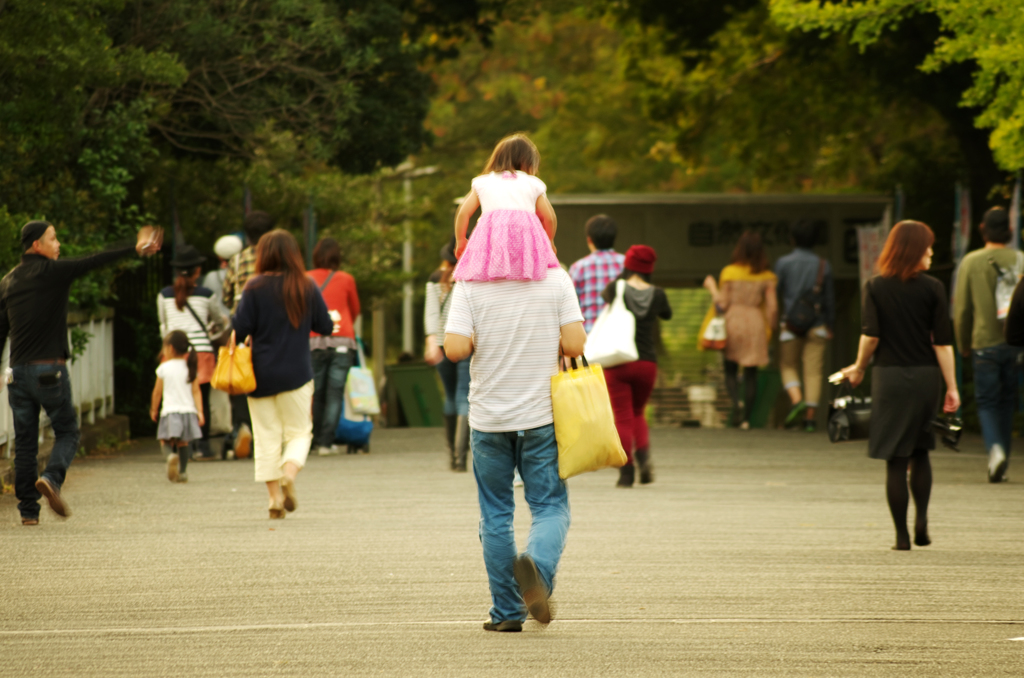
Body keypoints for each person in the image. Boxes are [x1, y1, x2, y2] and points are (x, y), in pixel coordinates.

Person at [444, 255, 586, 632]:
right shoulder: (556, 279)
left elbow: (455, 349)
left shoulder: (469, 284)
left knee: (495, 515)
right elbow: (574, 344)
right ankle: (536, 570)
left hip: (489, 421)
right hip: (540, 418)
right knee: (550, 505)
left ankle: (507, 612)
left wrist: (484, 333)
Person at [0, 220, 162, 524]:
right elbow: (95, 260)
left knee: (24, 442)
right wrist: (134, 247)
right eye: (53, 238)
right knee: (68, 431)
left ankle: (28, 512)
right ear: (37, 245)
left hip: (17, 373)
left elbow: (0, 331)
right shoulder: (53, 272)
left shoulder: (8, 281)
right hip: (50, 370)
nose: (58, 244)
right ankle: (52, 477)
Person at [839, 220, 959, 550]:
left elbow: (871, 336)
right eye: (927, 247)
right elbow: (942, 344)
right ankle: (922, 520)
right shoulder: (933, 288)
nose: (931, 253)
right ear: (913, 250)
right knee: (920, 451)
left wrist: (859, 367)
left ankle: (902, 536)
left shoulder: (875, 287)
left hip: (889, 378)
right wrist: (952, 387)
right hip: (925, 377)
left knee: (896, 458)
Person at [232, 229, 332, 519]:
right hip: (297, 373)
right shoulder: (305, 285)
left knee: (266, 437)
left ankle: (275, 499)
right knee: (300, 432)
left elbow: (239, 330)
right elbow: (324, 326)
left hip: (259, 375)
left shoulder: (253, 287)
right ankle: (290, 472)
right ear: (293, 254)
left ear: (263, 254)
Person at [953, 207, 1023, 483]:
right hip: (1016, 344)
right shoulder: (1020, 260)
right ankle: (1002, 460)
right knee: (1007, 402)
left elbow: (962, 310)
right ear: (1010, 230)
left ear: (982, 229)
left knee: (987, 402)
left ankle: (995, 450)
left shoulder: (971, 262)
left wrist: (963, 342)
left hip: (984, 343)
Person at [600, 245, 672, 487]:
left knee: (621, 416)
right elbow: (667, 314)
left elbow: (605, 302)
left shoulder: (615, 288)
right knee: (638, 412)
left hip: (619, 360)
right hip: (646, 364)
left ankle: (626, 471)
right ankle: (644, 458)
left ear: (628, 264)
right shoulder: (658, 294)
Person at [452, 133, 559, 282]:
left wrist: (460, 239)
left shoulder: (483, 183)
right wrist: (549, 241)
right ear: (527, 162)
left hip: (492, 236)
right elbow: (549, 217)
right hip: (524, 235)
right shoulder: (532, 183)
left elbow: (463, 212)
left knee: (487, 260)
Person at [157, 244, 228, 460]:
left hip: (172, 353)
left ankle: (176, 443)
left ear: (177, 270)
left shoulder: (164, 295)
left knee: (172, 398)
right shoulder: (207, 295)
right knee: (201, 398)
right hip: (202, 353)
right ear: (198, 271)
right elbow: (218, 321)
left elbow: (163, 324)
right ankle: (202, 446)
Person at [703, 231, 778, 429]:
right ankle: (746, 420)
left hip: (733, 321)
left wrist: (711, 287)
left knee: (730, 369)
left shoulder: (729, 272)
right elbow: (773, 307)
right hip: (755, 322)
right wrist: (770, 328)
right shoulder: (767, 276)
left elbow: (722, 303)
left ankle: (737, 401)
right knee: (751, 372)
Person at [221, 211, 275, 459]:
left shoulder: (237, 260)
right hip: (270, 329)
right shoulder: (276, 260)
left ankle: (242, 426)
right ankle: (265, 433)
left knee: (240, 378)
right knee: (267, 381)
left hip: (241, 329)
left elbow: (226, 296)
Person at [775, 220, 836, 432]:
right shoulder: (823, 265)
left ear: (793, 239)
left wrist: (776, 321)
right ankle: (810, 419)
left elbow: (777, 293)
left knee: (788, 365)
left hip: (791, 324)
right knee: (814, 371)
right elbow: (829, 299)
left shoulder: (783, 263)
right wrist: (830, 324)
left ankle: (796, 399)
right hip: (817, 324)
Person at [306, 237, 361, 456]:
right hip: (342, 340)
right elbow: (355, 309)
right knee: (335, 393)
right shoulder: (346, 279)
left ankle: (314, 437)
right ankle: (326, 443)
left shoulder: (306, 278)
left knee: (316, 392)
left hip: (313, 340)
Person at [425, 237, 472, 471]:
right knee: (465, 394)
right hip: (467, 344)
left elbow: (432, 314)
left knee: (450, 395)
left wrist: (431, 341)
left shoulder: (436, 279)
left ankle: (452, 455)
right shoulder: (474, 276)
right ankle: (461, 457)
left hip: (443, 344)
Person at [150, 330, 204, 483]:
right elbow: (196, 392)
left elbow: (157, 392)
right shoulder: (190, 368)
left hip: (170, 411)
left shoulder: (164, 368)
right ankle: (183, 472)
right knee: (183, 443)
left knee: (165, 441)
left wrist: (154, 409)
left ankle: (170, 456)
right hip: (188, 411)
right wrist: (199, 411)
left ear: (171, 348)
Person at [568, 214, 626, 332]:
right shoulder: (627, 265)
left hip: (589, 339)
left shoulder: (578, 268)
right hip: (621, 336)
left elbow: (569, 308)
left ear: (589, 240)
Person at [203, 234, 244, 322]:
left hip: (219, 325)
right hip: (239, 321)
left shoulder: (210, 277)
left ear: (219, 257)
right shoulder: (243, 274)